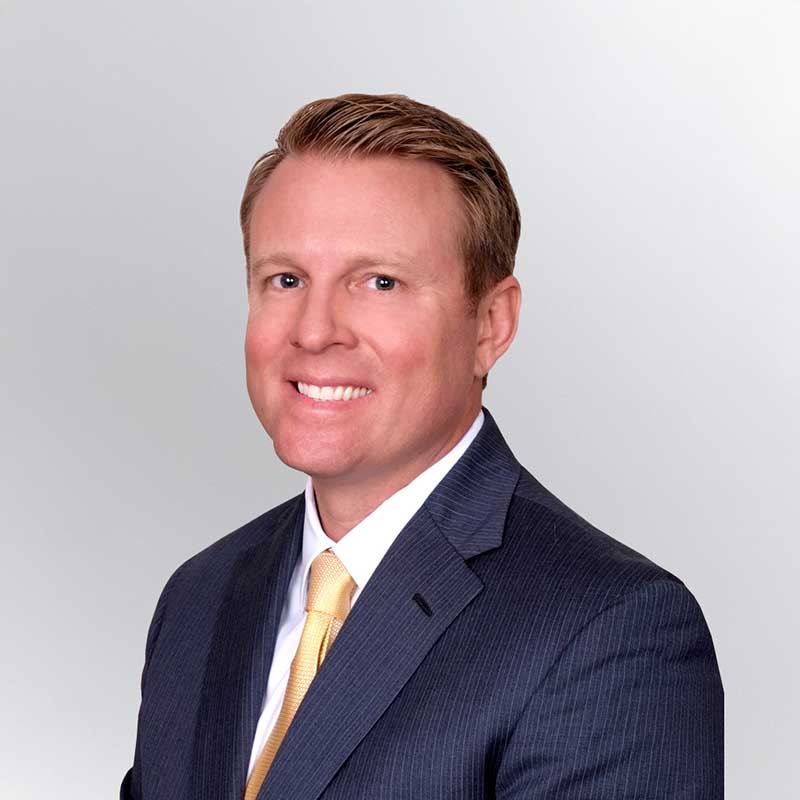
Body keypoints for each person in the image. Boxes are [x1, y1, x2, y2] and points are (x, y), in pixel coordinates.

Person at [121, 93, 723, 799]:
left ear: (491, 325)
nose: (315, 332)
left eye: (380, 282)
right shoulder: (201, 597)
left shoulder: (611, 632)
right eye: (285, 280)